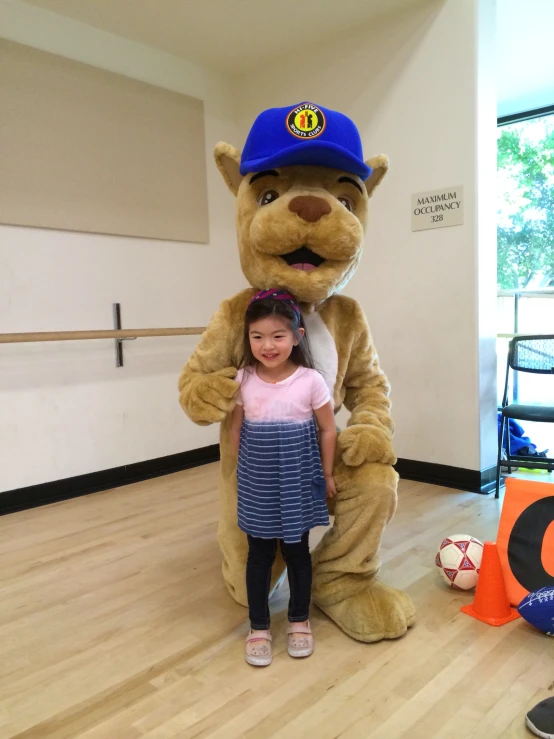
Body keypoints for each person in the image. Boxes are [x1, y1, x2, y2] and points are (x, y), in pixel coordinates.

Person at [230, 289, 337, 667]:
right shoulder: (243, 378)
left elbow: (328, 430)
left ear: (297, 336)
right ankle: (258, 627)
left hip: (298, 480)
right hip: (257, 482)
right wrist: (237, 476)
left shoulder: (311, 381)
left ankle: (299, 620)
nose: (267, 345)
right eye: (257, 336)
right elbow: (236, 431)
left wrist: (326, 474)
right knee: (258, 553)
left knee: (296, 552)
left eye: (277, 336)